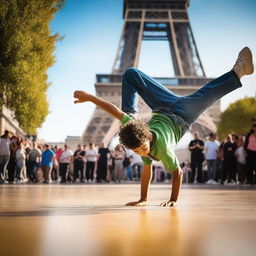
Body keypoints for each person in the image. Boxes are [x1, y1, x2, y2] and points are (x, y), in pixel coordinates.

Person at [74, 47, 254, 206]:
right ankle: (238, 71)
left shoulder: (149, 139)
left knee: (130, 74)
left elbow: (113, 111)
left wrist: (90, 98)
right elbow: (152, 173)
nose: (142, 153)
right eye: (137, 151)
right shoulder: (149, 148)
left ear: (145, 134)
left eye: (142, 148)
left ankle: (131, 113)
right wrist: (144, 199)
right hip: (183, 115)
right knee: (206, 96)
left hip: (162, 107)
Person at [244, 119, 256, 185]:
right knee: (250, 167)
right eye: (254, 127)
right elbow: (246, 143)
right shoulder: (249, 134)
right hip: (250, 152)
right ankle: (250, 180)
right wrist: (245, 152)